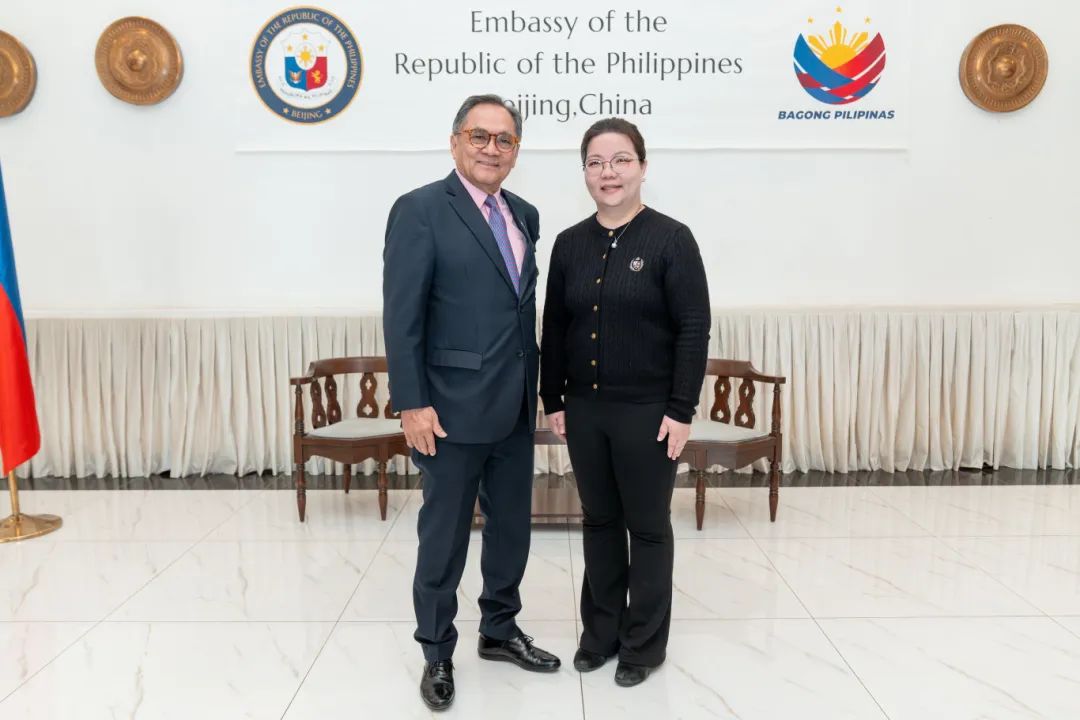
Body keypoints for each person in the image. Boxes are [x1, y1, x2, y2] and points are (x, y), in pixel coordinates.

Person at [383, 94, 561, 712]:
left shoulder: (525, 214)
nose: (491, 148)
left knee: (512, 528)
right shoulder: (420, 210)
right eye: (479, 136)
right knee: (445, 536)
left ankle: (499, 629)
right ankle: (436, 649)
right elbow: (402, 315)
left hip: (514, 405)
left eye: (504, 139)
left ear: (516, 151)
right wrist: (412, 402)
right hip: (449, 411)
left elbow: (517, 310)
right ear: (455, 141)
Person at [540, 117, 711, 687]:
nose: (607, 172)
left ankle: (643, 645)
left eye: (620, 160)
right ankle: (600, 635)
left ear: (642, 167)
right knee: (599, 522)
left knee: (648, 526)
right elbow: (555, 325)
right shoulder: (569, 244)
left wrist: (681, 410)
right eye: (595, 162)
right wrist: (553, 396)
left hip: (648, 413)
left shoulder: (672, 239)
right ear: (584, 172)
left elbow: (693, 328)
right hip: (585, 411)